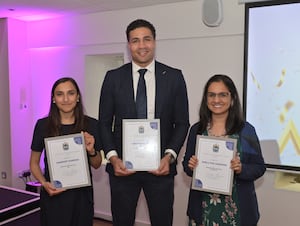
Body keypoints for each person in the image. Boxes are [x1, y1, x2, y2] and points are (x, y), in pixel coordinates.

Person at [98, 19, 189, 226]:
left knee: (162, 221)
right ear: (129, 45)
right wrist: (112, 158)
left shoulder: (174, 77)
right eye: (135, 40)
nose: (142, 46)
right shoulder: (113, 78)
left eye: (146, 39)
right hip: (122, 168)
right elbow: (104, 123)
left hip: (160, 168)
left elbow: (182, 123)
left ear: (155, 42)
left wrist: (170, 156)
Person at [182, 74, 266, 226]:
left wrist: (241, 169)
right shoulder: (197, 130)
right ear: (206, 99)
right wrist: (191, 165)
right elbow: (186, 167)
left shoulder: (246, 130)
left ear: (232, 98)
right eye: (211, 95)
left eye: (223, 95)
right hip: (203, 209)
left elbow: (259, 167)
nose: (216, 100)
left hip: (237, 212)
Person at [30, 77, 102, 226]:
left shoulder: (91, 124)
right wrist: (44, 183)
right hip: (54, 193)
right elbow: (34, 163)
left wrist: (91, 150)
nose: (65, 99)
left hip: (81, 196)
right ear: (54, 99)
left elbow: (97, 163)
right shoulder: (43, 125)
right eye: (59, 94)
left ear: (77, 97)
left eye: (70, 93)